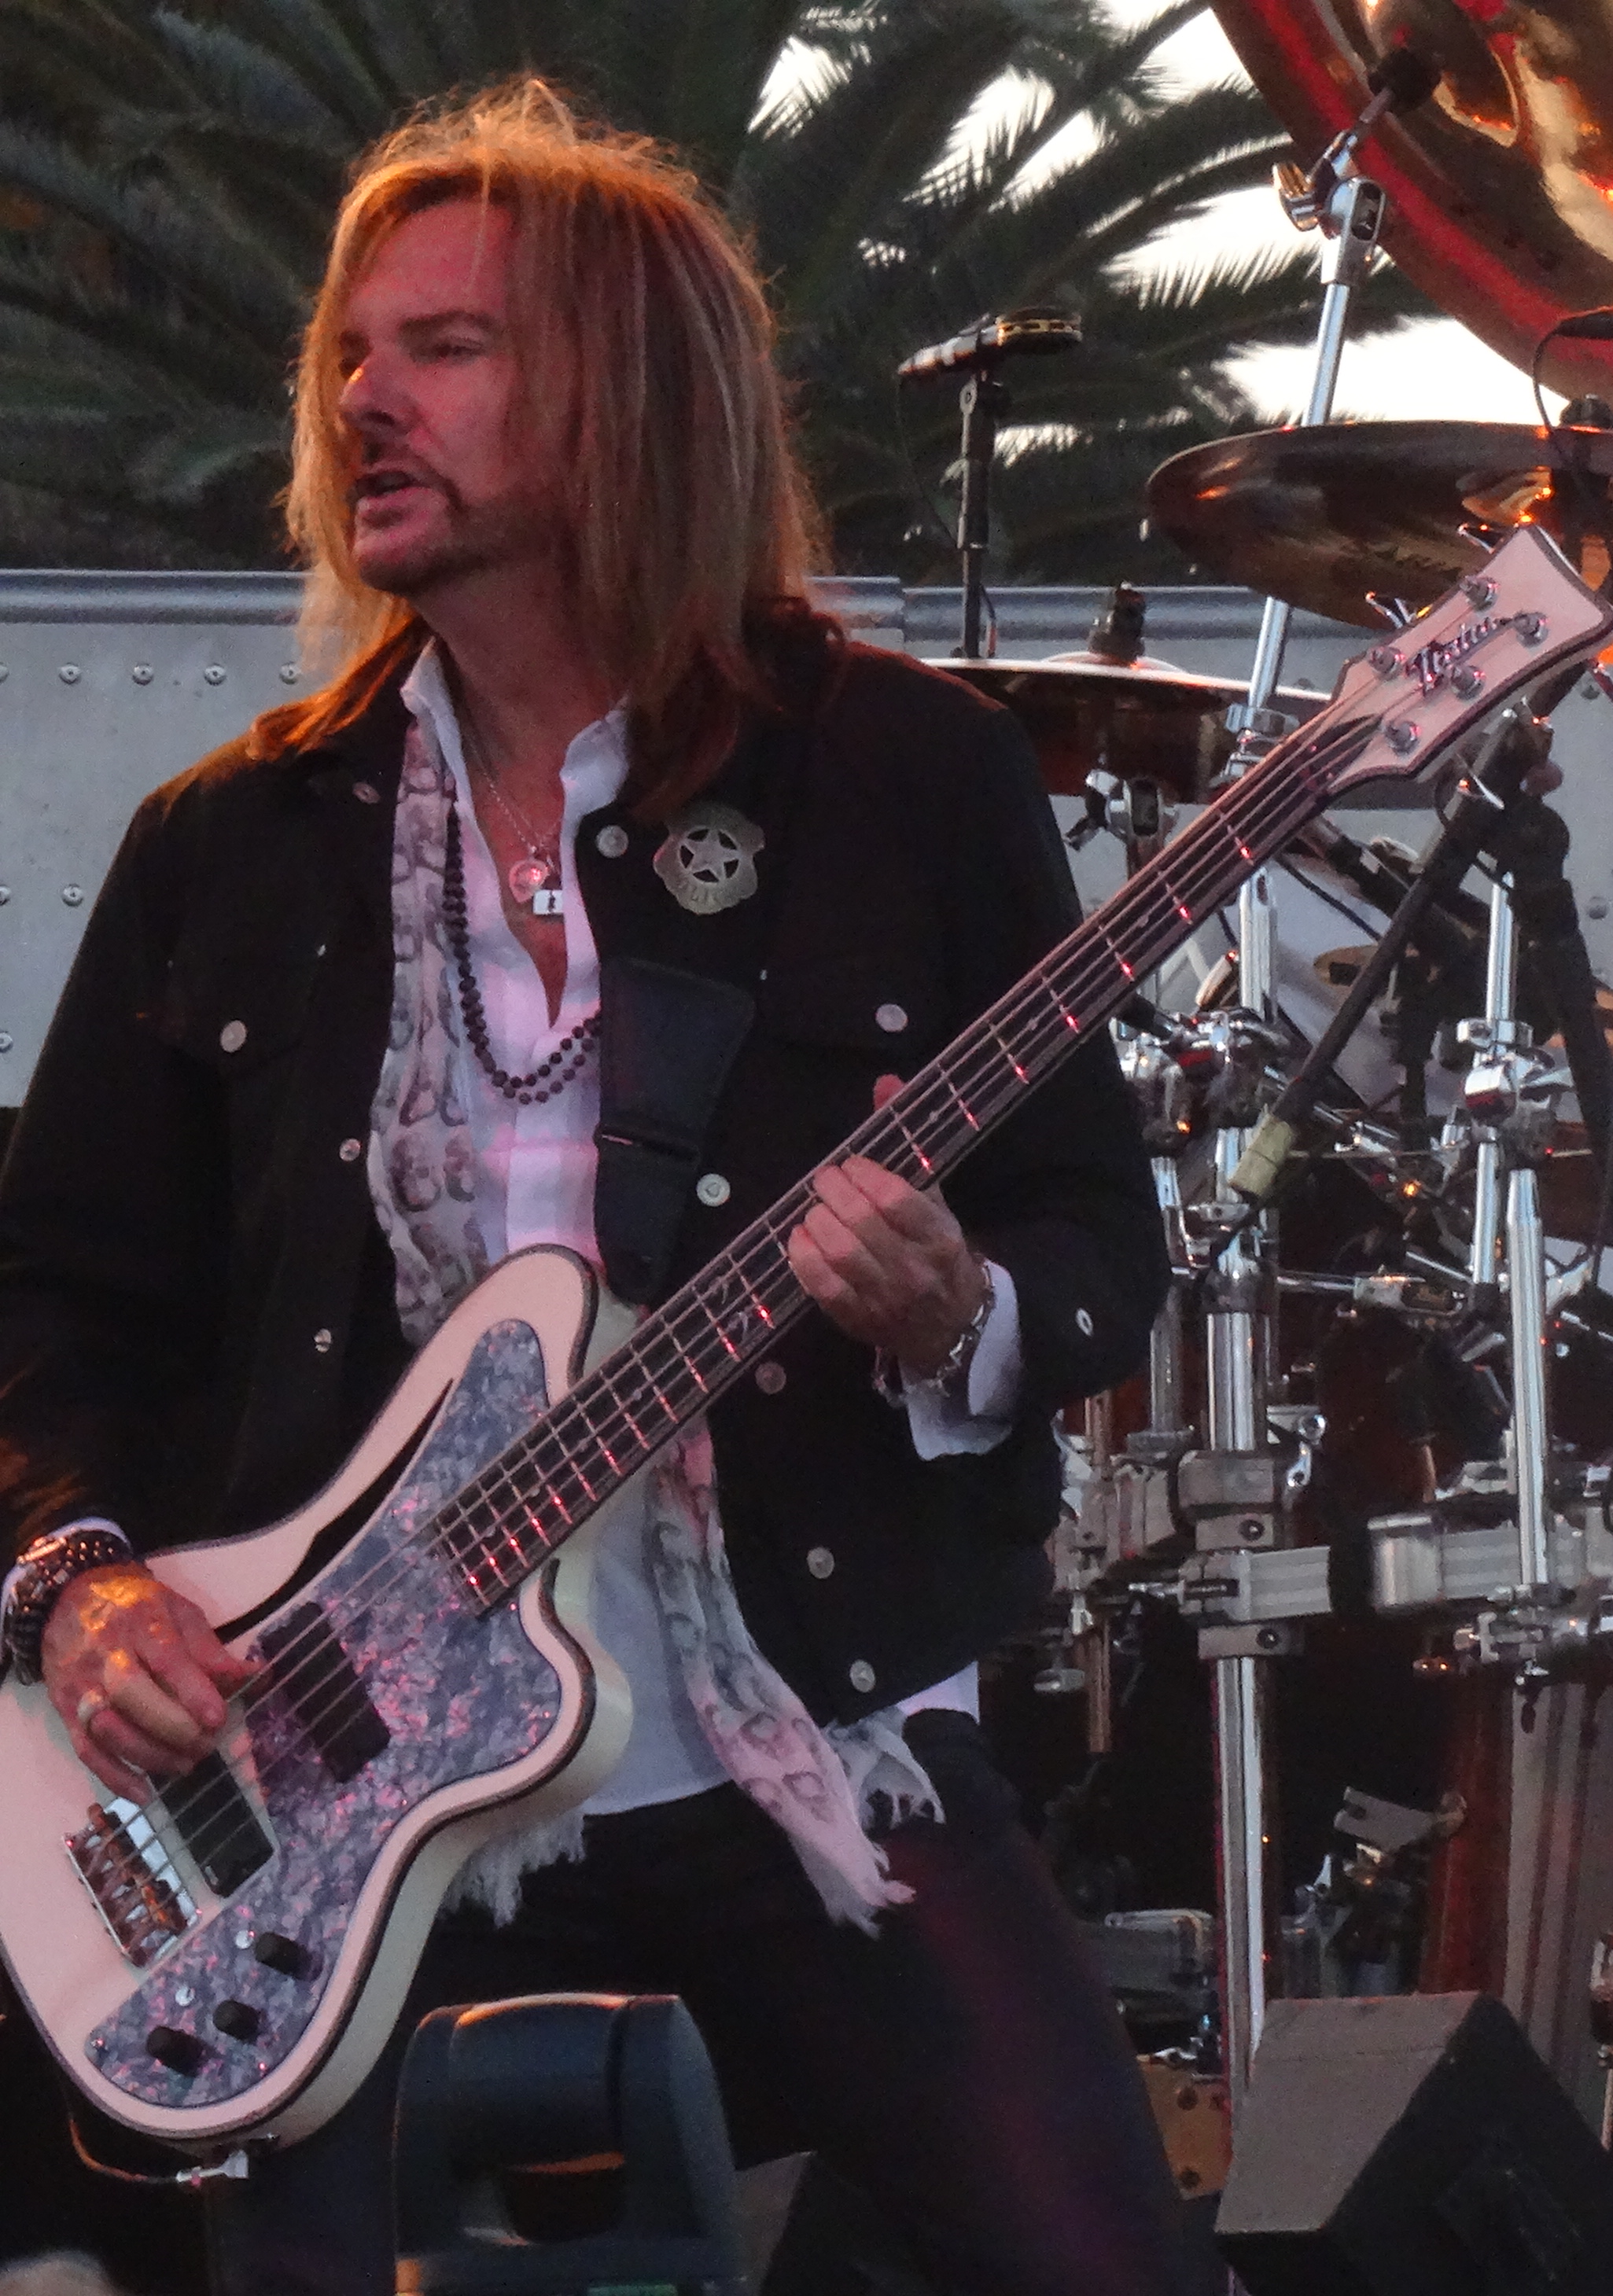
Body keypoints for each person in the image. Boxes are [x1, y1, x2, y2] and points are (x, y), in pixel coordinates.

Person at [0, 86, 1204, 2294]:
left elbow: (1094, 1231)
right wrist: (77, 1590)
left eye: (446, 347)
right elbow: (52, 1302)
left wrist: (955, 1311)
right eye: (351, 354)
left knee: (1095, 2260)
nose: (364, 398)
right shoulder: (233, 845)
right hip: (338, 1808)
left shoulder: (901, 777)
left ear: (630, 393)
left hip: (812, 1741)